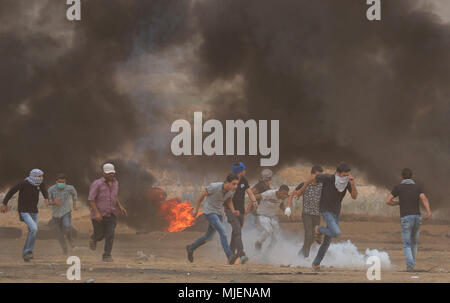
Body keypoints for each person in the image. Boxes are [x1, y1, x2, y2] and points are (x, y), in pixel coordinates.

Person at [299, 162, 358, 271]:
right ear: (338, 173)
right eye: (344, 175)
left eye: (347, 175)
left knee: (327, 240)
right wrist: (301, 191)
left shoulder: (347, 183)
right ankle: (318, 229)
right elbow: (312, 178)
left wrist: (353, 184)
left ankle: (315, 264)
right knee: (336, 232)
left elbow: (354, 196)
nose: (346, 177)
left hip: (336, 212)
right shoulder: (328, 178)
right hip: (325, 210)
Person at [186, 173, 240, 265]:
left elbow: (229, 200)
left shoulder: (231, 191)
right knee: (223, 232)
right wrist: (196, 209)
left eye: (236, 184)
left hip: (219, 213)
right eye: (234, 184)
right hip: (209, 212)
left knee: (209, 237)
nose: (235, 186)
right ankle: (230, 256)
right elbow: (203, 195)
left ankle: (191, 248)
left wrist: (233, 210)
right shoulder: (214, 186)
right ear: (227, 182)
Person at [386, 168, 431, 272]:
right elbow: (424, 198)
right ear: (412, 176)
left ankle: (410, 265)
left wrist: (397, 203)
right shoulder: (417, 187)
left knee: (407, 244)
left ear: (402, 177)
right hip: (417, 217)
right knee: (414, 243)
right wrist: (428, 212)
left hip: (406, 218)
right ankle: (412, 265)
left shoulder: (398, 187)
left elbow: (388, 201)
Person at [1, 169, 49, 262]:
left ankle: (26, 254)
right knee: (34, 229)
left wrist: (46, 198)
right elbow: (11, 191)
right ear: (34, 176)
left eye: (42, 176)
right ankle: (28, 251)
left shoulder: (39, 184)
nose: (41, 178)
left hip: (34, 211)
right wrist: (4, 203)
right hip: (24, 211)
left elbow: (44, 190)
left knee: (33, 231)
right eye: (39, 176)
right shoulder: (24, 183)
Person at [88, 163, 127, 262]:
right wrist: (96, 213)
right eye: (108, 173)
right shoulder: (97, 184)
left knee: (110, 234)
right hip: (99, 215)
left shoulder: (116, 183)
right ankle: (94, 238)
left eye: (112, 173)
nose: (111, 175)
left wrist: (120, 206)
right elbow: (91, 199)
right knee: (100, 235)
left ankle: (107, 255)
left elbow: (114, 197)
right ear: (104, 173)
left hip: (111, 214)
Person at [286, 165, 324, 258]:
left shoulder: (322, 185)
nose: (319, 178)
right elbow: (295, 194)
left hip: (317, 214)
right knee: (309, 234)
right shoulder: (304, 184)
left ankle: (301, 254)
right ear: (312, 174)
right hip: (306, 214)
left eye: (320, 176)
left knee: (312, 238)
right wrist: (288, 207)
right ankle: (305, 257)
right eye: (317, 175)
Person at [225, 162, 258, 264]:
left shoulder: (244, 180)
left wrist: (254, 201)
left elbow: (249, 192)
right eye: (244, 169)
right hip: (230, 211)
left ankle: (230, 256)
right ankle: (242, 254)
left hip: (241, 211)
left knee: (236, 233)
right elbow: (225, 196)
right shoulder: (229, 180)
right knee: (237, 230)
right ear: (239, 171)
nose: (245, 171)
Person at [47, 174, 78, 255]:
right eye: (60, 182)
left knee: (67, 226)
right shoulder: (51, 189)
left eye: (63, 182)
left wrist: (74, 204)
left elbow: (75, 194)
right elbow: (47, 202)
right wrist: (53, 202)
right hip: (56, 215)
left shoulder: (70, 188)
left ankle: (71, 241)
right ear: (56, 182)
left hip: (66, 212)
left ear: (65, 182)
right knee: (59, 234)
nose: (62, 184)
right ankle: (64, 248)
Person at [253, 185, 290, 251]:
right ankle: (258, 243)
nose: (284, 196)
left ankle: (267, 255)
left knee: (276, 238)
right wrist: (251, 207)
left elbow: (281, 204)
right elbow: (255, 196)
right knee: (268, 230)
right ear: (279, 191)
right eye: (283, 193)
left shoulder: (282, 198)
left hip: (272, 217)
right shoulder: (269, 193)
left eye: (286, 194)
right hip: (262, 215)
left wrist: (286, 211)